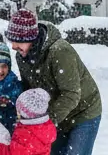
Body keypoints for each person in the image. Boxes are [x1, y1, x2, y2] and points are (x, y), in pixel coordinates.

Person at [5, 9, 102, 155]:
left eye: (17, 41)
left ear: (31, 37)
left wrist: (47, 121)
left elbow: (71, 94)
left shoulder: (60, 52)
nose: (13, 46)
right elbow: (28, 90)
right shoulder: (22, 57)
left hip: (83, 112)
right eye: (12, 41)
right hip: (56, 114)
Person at [0, 88, 57, 155]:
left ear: (24, 114)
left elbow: (10, 153)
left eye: (18, 110)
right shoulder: (45, 125)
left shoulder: (25, 136)